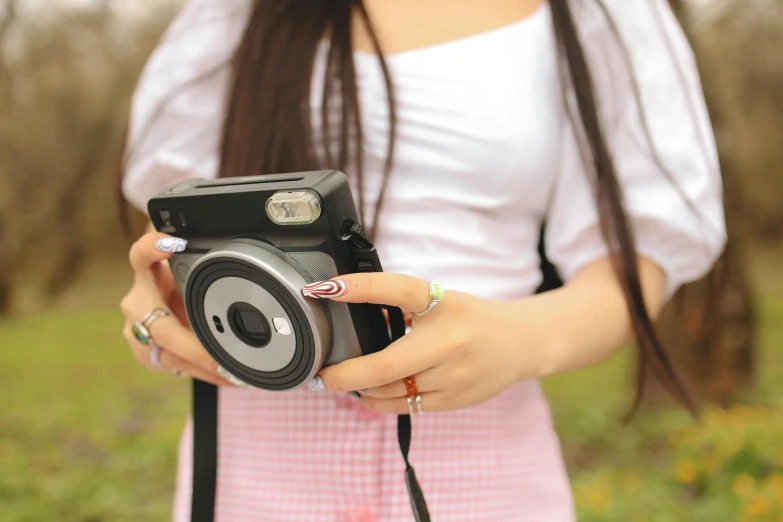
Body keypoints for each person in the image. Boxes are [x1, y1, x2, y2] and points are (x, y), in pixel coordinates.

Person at [119, 0, 727, 520]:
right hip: (250, 477)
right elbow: (181, 222)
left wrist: (517, 339)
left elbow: (634, 260)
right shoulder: (232, 14)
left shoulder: (599, 14)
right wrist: (162, 300)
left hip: (484, 475)